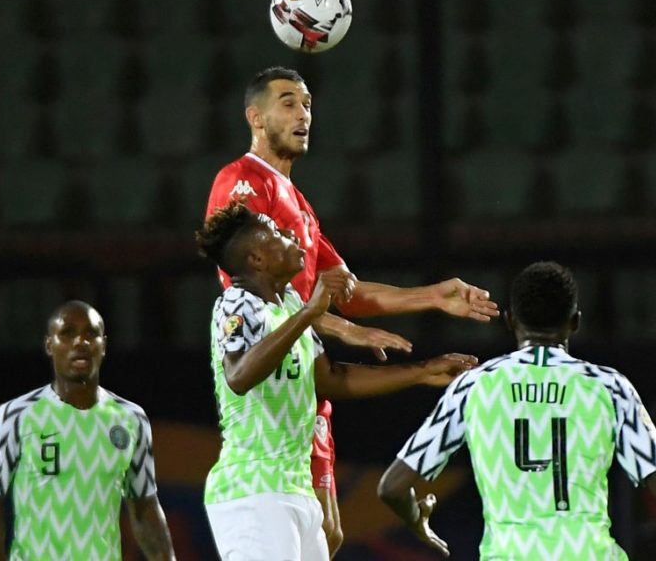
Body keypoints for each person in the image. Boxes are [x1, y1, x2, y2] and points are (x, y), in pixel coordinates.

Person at [204, 65, 499, 556]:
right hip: (275, 371)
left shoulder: (298, 204)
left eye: (308, 104)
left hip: (305, 368)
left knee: (329, 532)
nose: (304, 114)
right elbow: (245, 283)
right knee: (306, 522)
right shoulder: (241, 182)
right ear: (255, 117)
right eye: (289, 103)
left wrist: (432, 297)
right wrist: (334, 322)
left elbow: (345, 288)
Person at [378, 261, 656, 559]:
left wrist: (414, 517)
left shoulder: (473, 386)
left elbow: (392, 487)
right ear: (574, 321)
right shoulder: (608, 387)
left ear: (511, 321)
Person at [196, 200, 477, 560]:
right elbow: (238, 376)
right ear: (256, 260)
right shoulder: (236, 303)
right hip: (253, 491)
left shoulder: (290, 304)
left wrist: (423, 371)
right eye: (277, 234)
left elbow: (329, 379)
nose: (289, 235)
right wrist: (311, 313)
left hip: (296, 488)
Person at [0, 300, 176, 561]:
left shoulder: (131, 418)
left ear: (103, 345)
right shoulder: (15, 416)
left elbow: (143, 506)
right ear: (49, 345)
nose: (80, 342)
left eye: (91, 333)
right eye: (67, 333)